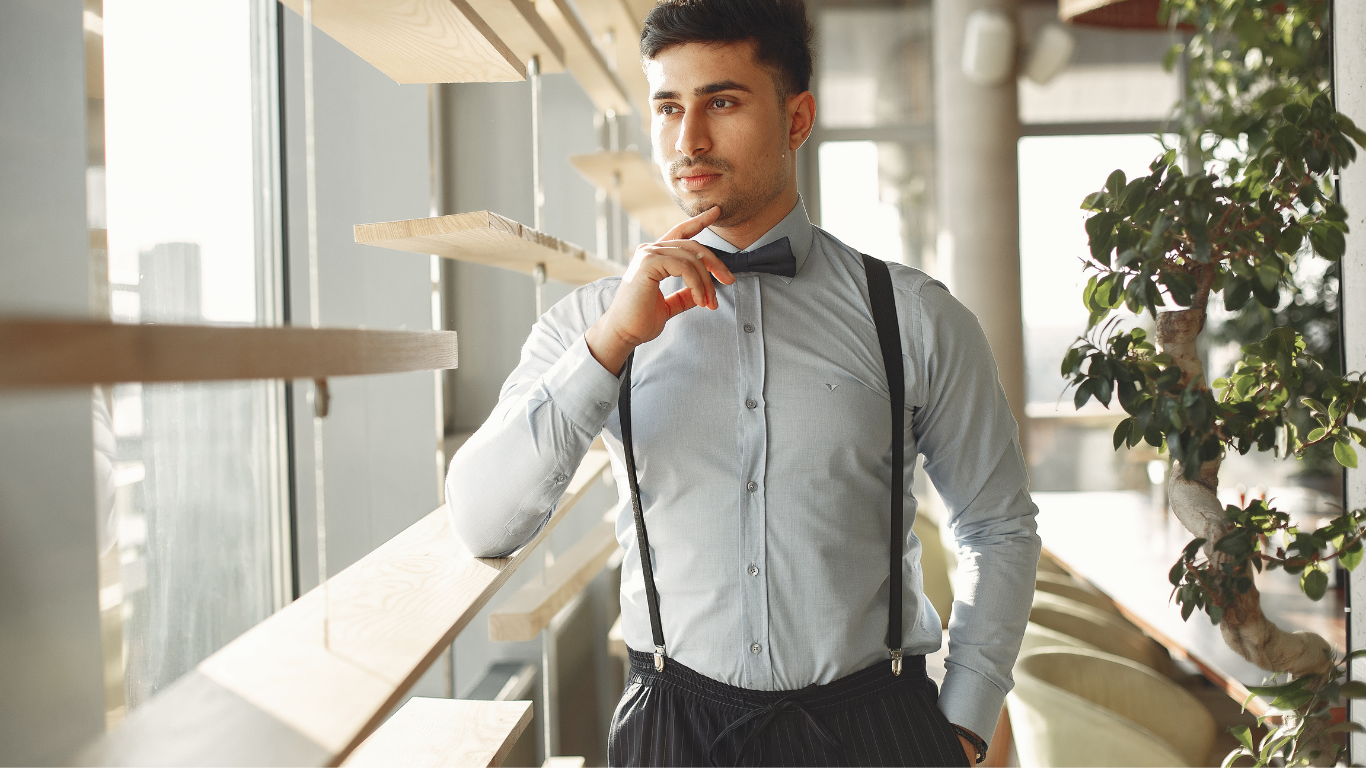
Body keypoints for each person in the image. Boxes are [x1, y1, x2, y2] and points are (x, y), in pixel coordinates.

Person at [446, 0, 1040, 765]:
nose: (688, 140)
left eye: (721, 102)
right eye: (668, 107)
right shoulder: (585, 326)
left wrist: (963, 723)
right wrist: (611, 344)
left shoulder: (918, 318)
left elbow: (997, 525)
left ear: (798, 118)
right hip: (673, 730)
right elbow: (483, 522)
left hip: (877, 728)